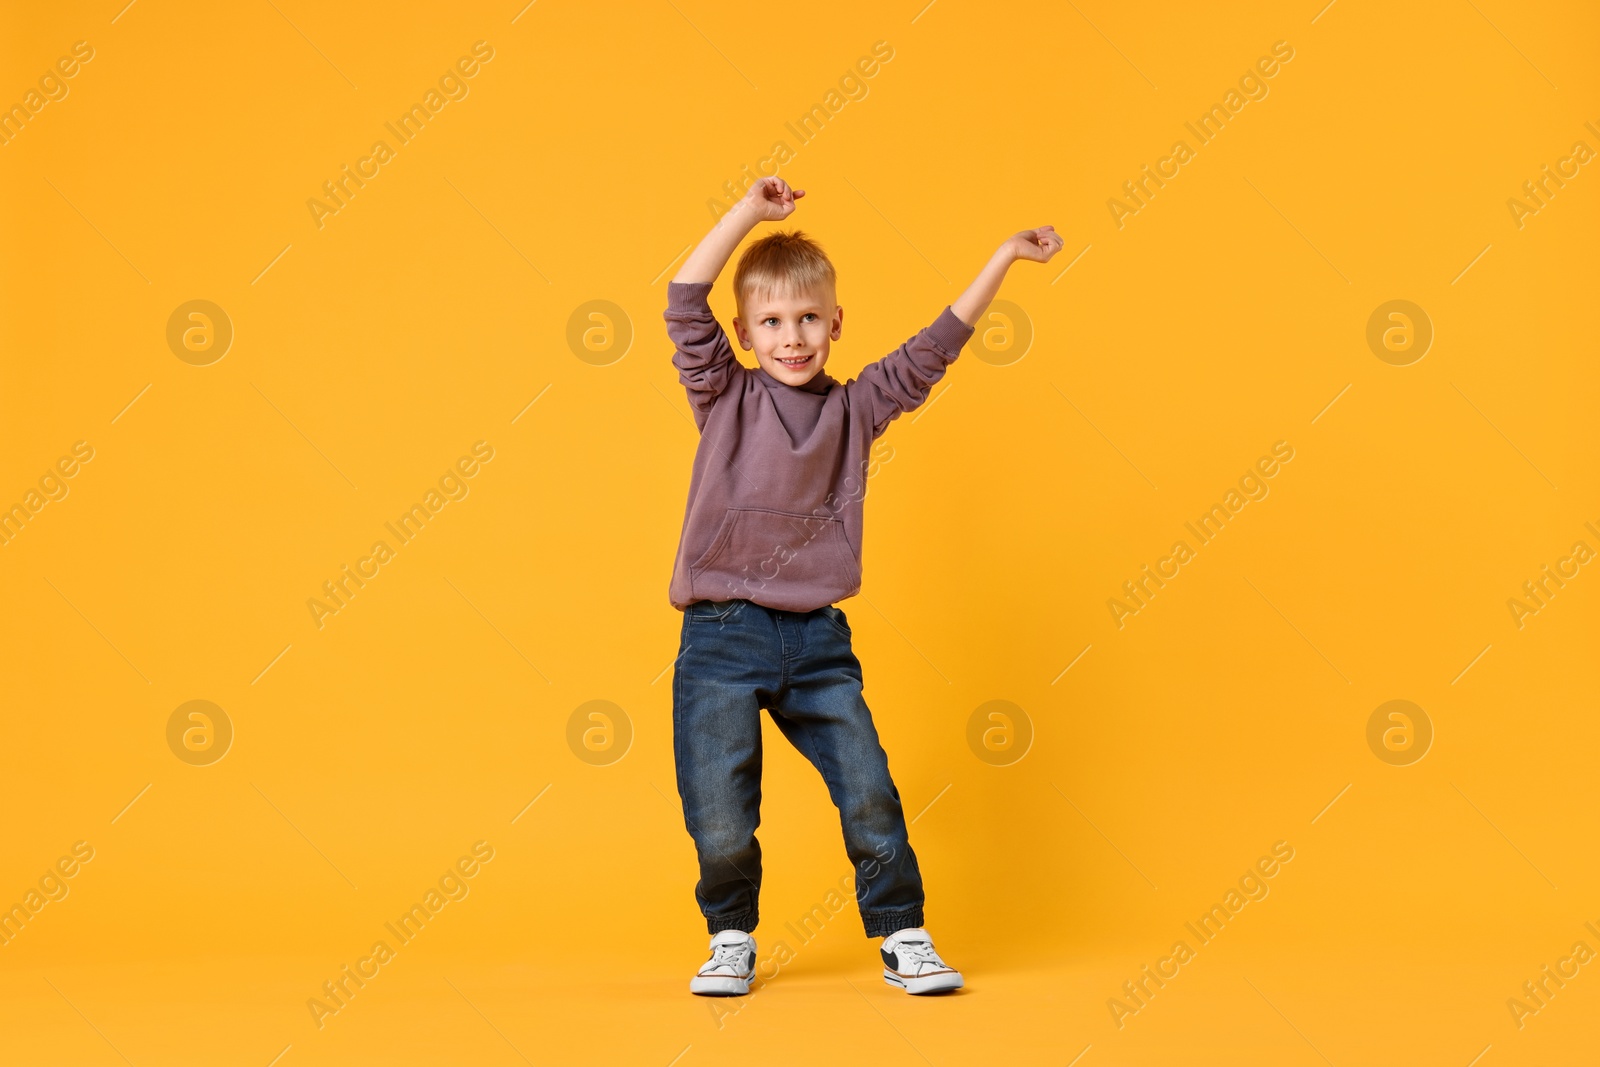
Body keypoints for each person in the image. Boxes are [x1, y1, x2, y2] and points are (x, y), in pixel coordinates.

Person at [664, 175, 1062, 996]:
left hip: (815, 639)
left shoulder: (856, 408)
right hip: (720, 633)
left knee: (869, 786)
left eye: (808, 318)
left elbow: (934, 349)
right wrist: (750, 214)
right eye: (771, 323)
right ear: (743, 333)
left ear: (835, 323)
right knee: (720, 809)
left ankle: (903, 932)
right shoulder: (725, 393)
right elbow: (682, 296)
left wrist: (1003, 259)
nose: (792, 337)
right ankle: (730, 934)